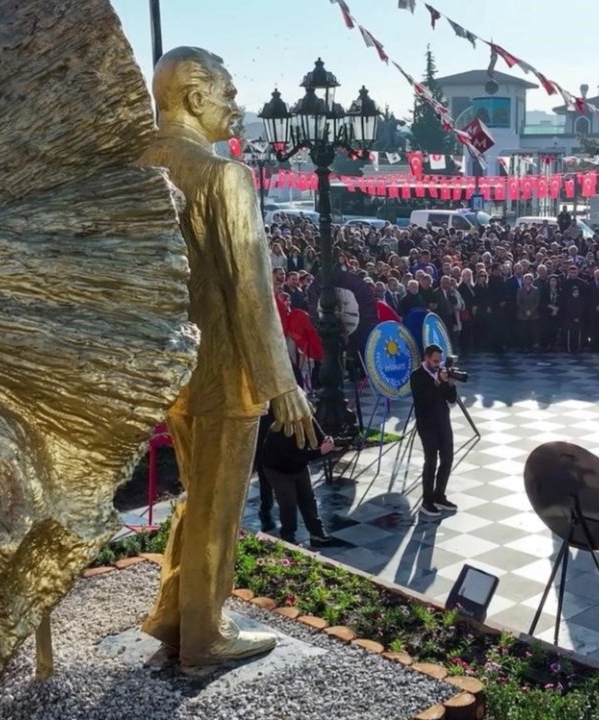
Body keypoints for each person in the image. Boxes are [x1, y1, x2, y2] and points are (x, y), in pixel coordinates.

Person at [140, 47, 315, 666]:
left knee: (197, 493)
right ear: (194, 98)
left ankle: (173, 612)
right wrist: (280, 381)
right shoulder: (222, 175)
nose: (235, 107)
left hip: (171, 367)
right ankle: (206, 634)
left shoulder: (136, 167)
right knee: (219, 507)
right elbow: (250, 289)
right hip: (225, 369)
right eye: (228, 94)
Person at [259, 407, 339, 547]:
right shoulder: (280, 428)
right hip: (278, 469)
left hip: (299, 466)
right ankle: (288, 537)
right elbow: (293, 456)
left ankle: (317, 534)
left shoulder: (307, 419)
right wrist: (320, 452)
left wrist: (328, 441)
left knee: (308, 498)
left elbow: (320, 436)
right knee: (288, 503)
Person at [410, 344, 459, 517]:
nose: (438, 364)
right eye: (435, 361)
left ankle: (440, 495)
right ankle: (427, 501)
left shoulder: (442, 372)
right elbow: (423, 400)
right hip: (427, 424)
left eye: (440, 361)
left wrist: (450, 383)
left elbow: (451, 399)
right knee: (431, 461)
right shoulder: (417, 376)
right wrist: (437, 382)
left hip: (443, 422)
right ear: (427, 358)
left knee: (447, 458)